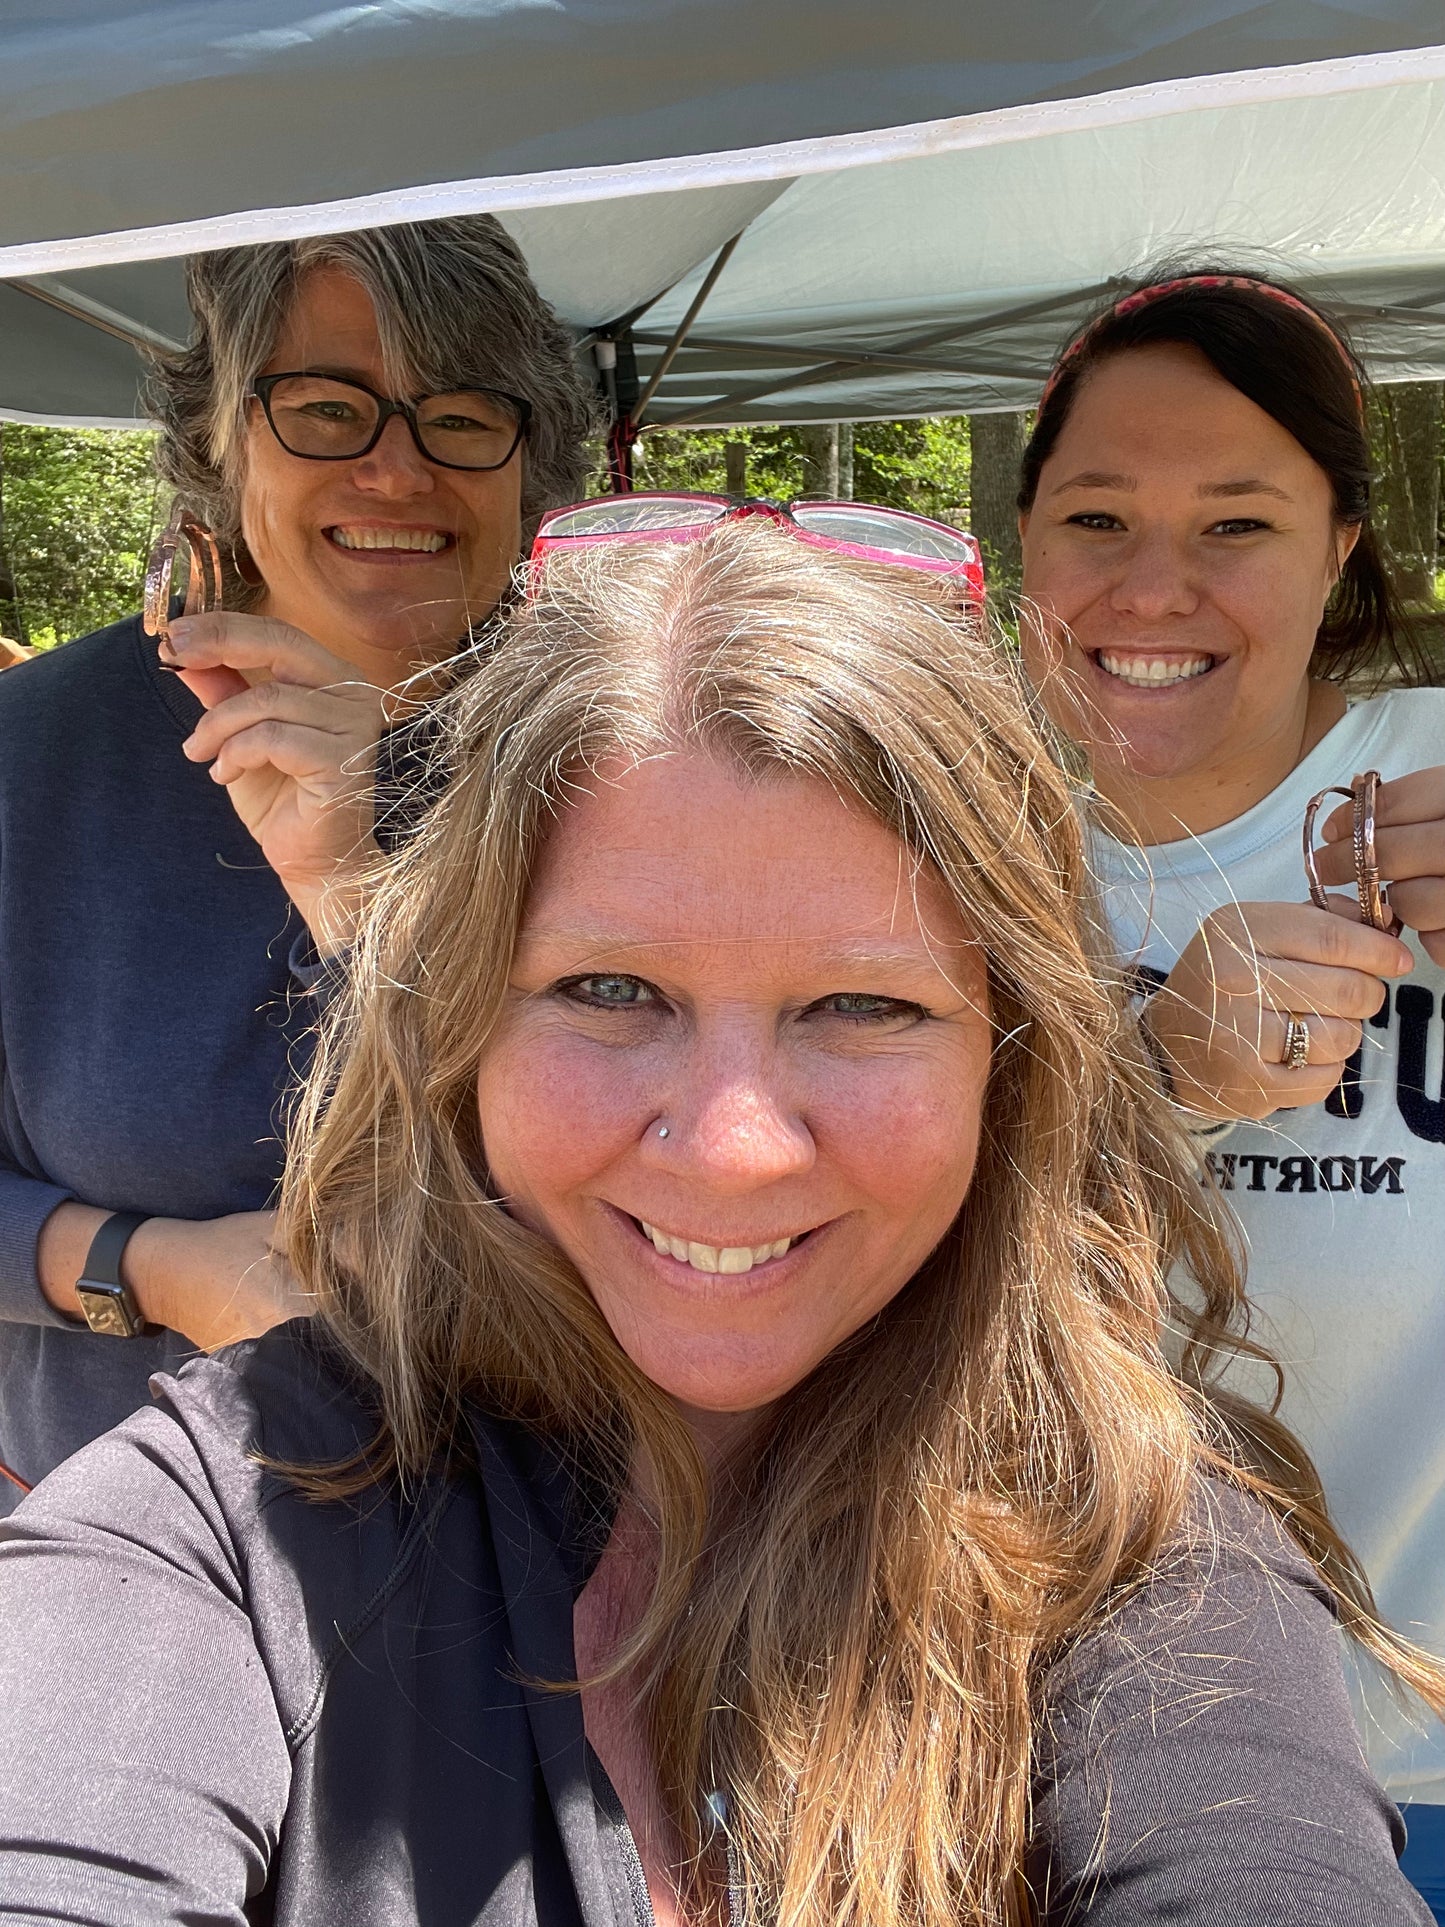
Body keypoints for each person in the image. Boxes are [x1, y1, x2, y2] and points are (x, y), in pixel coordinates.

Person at [1, 515, 1440, 1926]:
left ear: (1012, 1063)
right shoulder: (217, 1526)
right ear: (455, 1026)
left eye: (864, 1005)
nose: (734, 1148)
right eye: (609, 992)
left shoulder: (1147, 1562)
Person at [0, 215, 594, 1510]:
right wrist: (135, 1264)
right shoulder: (32, 755)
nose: (398, 469)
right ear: (219, 439)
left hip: (549, 1573)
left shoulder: (619, 760)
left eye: (460, 413)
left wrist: (364, 880)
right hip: (115, 1581)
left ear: (529, 458)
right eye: (328, 409)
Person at [1016, 267, 1445, 1915]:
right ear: (1024, 547)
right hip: (1092, 1773)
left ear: (1340, 542)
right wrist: (1150, 1082)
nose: (1154, 588)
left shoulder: (1429, 766)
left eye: (1237, 525)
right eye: (1097, 517)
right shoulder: (948, 838)